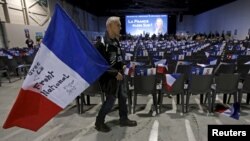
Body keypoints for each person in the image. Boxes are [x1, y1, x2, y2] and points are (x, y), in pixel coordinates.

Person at [95, 16, 137, 132]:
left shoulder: (116, 41)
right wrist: (114, 73)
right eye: (118, 25)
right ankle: (99, 122)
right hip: (108, 79)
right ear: (109, 26)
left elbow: (118, 59)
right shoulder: (101, 44)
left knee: (123, 97)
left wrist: (123, 65)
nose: (120, 27)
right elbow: (99, 64)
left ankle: (123, 119)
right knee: (110, 101)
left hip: (120, 76)